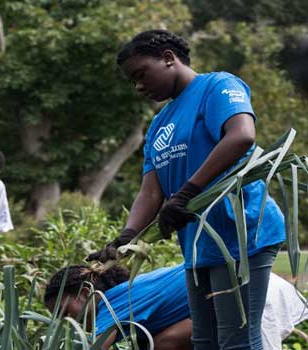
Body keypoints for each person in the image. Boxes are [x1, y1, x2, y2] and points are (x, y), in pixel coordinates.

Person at [86, 29, 286, 349]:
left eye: (141, 74)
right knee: (204, 341)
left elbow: (240, 136)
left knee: (236, 341)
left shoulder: (217, 86)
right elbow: (150, 192)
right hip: (198, 245)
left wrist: (187, 192)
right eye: (132, 80)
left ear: (168, 59)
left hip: (239, 233)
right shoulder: (159, 124)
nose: (139, 86)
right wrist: (126, 237)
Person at [44, 264, 308, 350]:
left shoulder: (115, 302)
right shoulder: (124, 296)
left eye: (67, 313)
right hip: (244, 291)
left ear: (85, 292)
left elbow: (95, 346)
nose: (72, 323)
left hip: (248, 295)